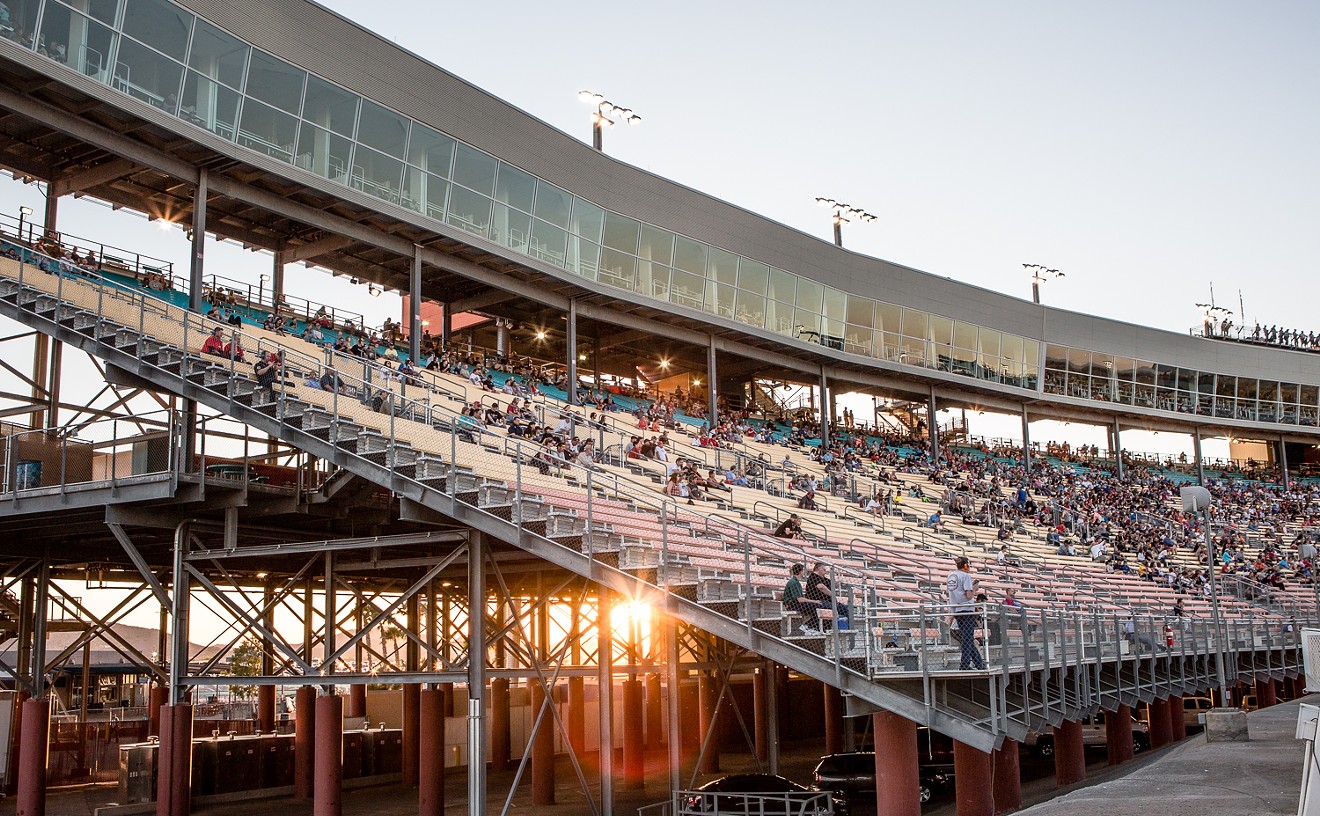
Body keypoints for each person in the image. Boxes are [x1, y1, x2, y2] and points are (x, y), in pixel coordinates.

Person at [946, 556, 985, 670]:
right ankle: (964, 665)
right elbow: (968, 595)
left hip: (957, 610)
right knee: (967, 639)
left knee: (967, 638)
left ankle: (979, 663)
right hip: (967, 610)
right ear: (966, 565)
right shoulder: (966, 576)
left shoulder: (951, 576)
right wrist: (975, 589)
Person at [805, 561, 849, 630]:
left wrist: (839, 580)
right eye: (824, 569)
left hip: (826, 601)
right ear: (818, 569)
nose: (825, 571)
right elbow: (821, 587)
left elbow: (833, 584)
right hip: (818, 601)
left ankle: (844, 628)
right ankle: (809, 626)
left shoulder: (823, 578)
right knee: (840, 608)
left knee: (845, 608)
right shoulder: (813, 577)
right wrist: (832, 595)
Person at [782, 563, 823, 634]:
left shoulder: (796, 582)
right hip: (792, 604)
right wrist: (814, 601)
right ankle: (807, 626)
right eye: (803, 570)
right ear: (800, 571)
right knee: (815, 607)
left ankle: (809, 626)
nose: (804, 572)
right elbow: (799, 599)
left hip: (796, 603)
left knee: (817, 607)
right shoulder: (793, 582)